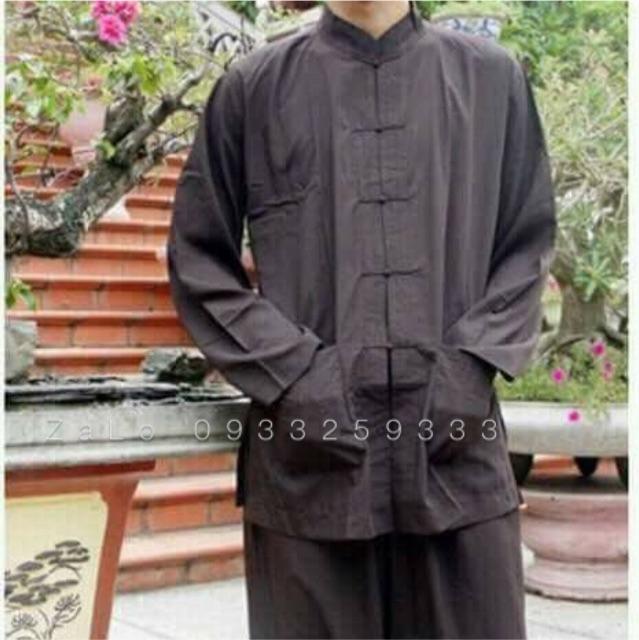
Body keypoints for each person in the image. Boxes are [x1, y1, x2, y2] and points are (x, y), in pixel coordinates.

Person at [167, 0, 556, 637]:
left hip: (453, 454)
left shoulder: (492, 80)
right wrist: (296, 374)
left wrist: (470, 366)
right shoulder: (252, 89)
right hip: (312, 464)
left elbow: (527, 242)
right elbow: (198, 258)